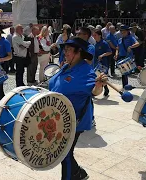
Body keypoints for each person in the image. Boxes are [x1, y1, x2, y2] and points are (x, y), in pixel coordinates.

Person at [49, 37, 107, 180]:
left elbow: (94, 91)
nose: (65, 52)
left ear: (79, 52)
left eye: (68, 50)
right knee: (63, 152)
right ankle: (78, 173)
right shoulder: (65, 67)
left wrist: (99, 85)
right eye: (65, 49)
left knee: (65, 154)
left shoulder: (86, 71)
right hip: (59, 118)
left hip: (74, 120)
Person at [92, 29, 112, 96]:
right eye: (93, 35)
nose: (94, 36)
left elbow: (110, 52)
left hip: (103, 64)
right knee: (96, 77)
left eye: (95, 35)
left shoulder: (104, 43)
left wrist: (102, 55)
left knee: (101, 78)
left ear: (99, 35)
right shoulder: (96, 44)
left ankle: (105, 89)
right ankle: (101, 90)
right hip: (96, 63)